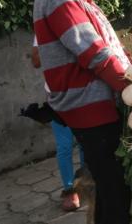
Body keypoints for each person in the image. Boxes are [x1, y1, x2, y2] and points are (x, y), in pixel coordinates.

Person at [34, 0, 132, 224]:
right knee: (115, 188)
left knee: (110, 186)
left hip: (97, 106)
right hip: (89, 109)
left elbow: (108, 47)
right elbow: (95, 53)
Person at [31, 38, 85, 212]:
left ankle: (86, 182)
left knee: (86, 142)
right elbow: (36, 61)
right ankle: (70, 190)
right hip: (57, 98)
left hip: (81, 93)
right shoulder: (42, 30)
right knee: (65, 146)